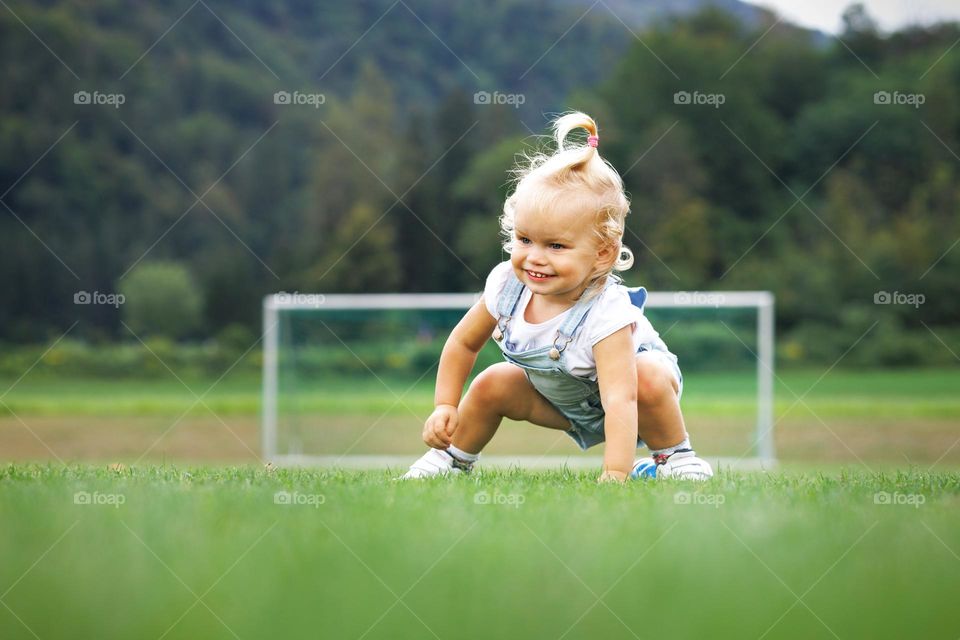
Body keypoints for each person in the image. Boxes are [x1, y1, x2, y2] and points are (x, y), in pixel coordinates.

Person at [402, 112, 713, 482]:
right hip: (563, 402)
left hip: (635, 401)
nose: (535, 257)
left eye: (556, 245)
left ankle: (675, 456)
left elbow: (620, 400)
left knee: (646, 375)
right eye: (525, 240)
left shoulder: (606, 310)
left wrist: (615, 474)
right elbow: (463, 344)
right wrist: (444, 405)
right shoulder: (506, 286)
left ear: (602, 253)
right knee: (491, 382)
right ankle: (450, 460)